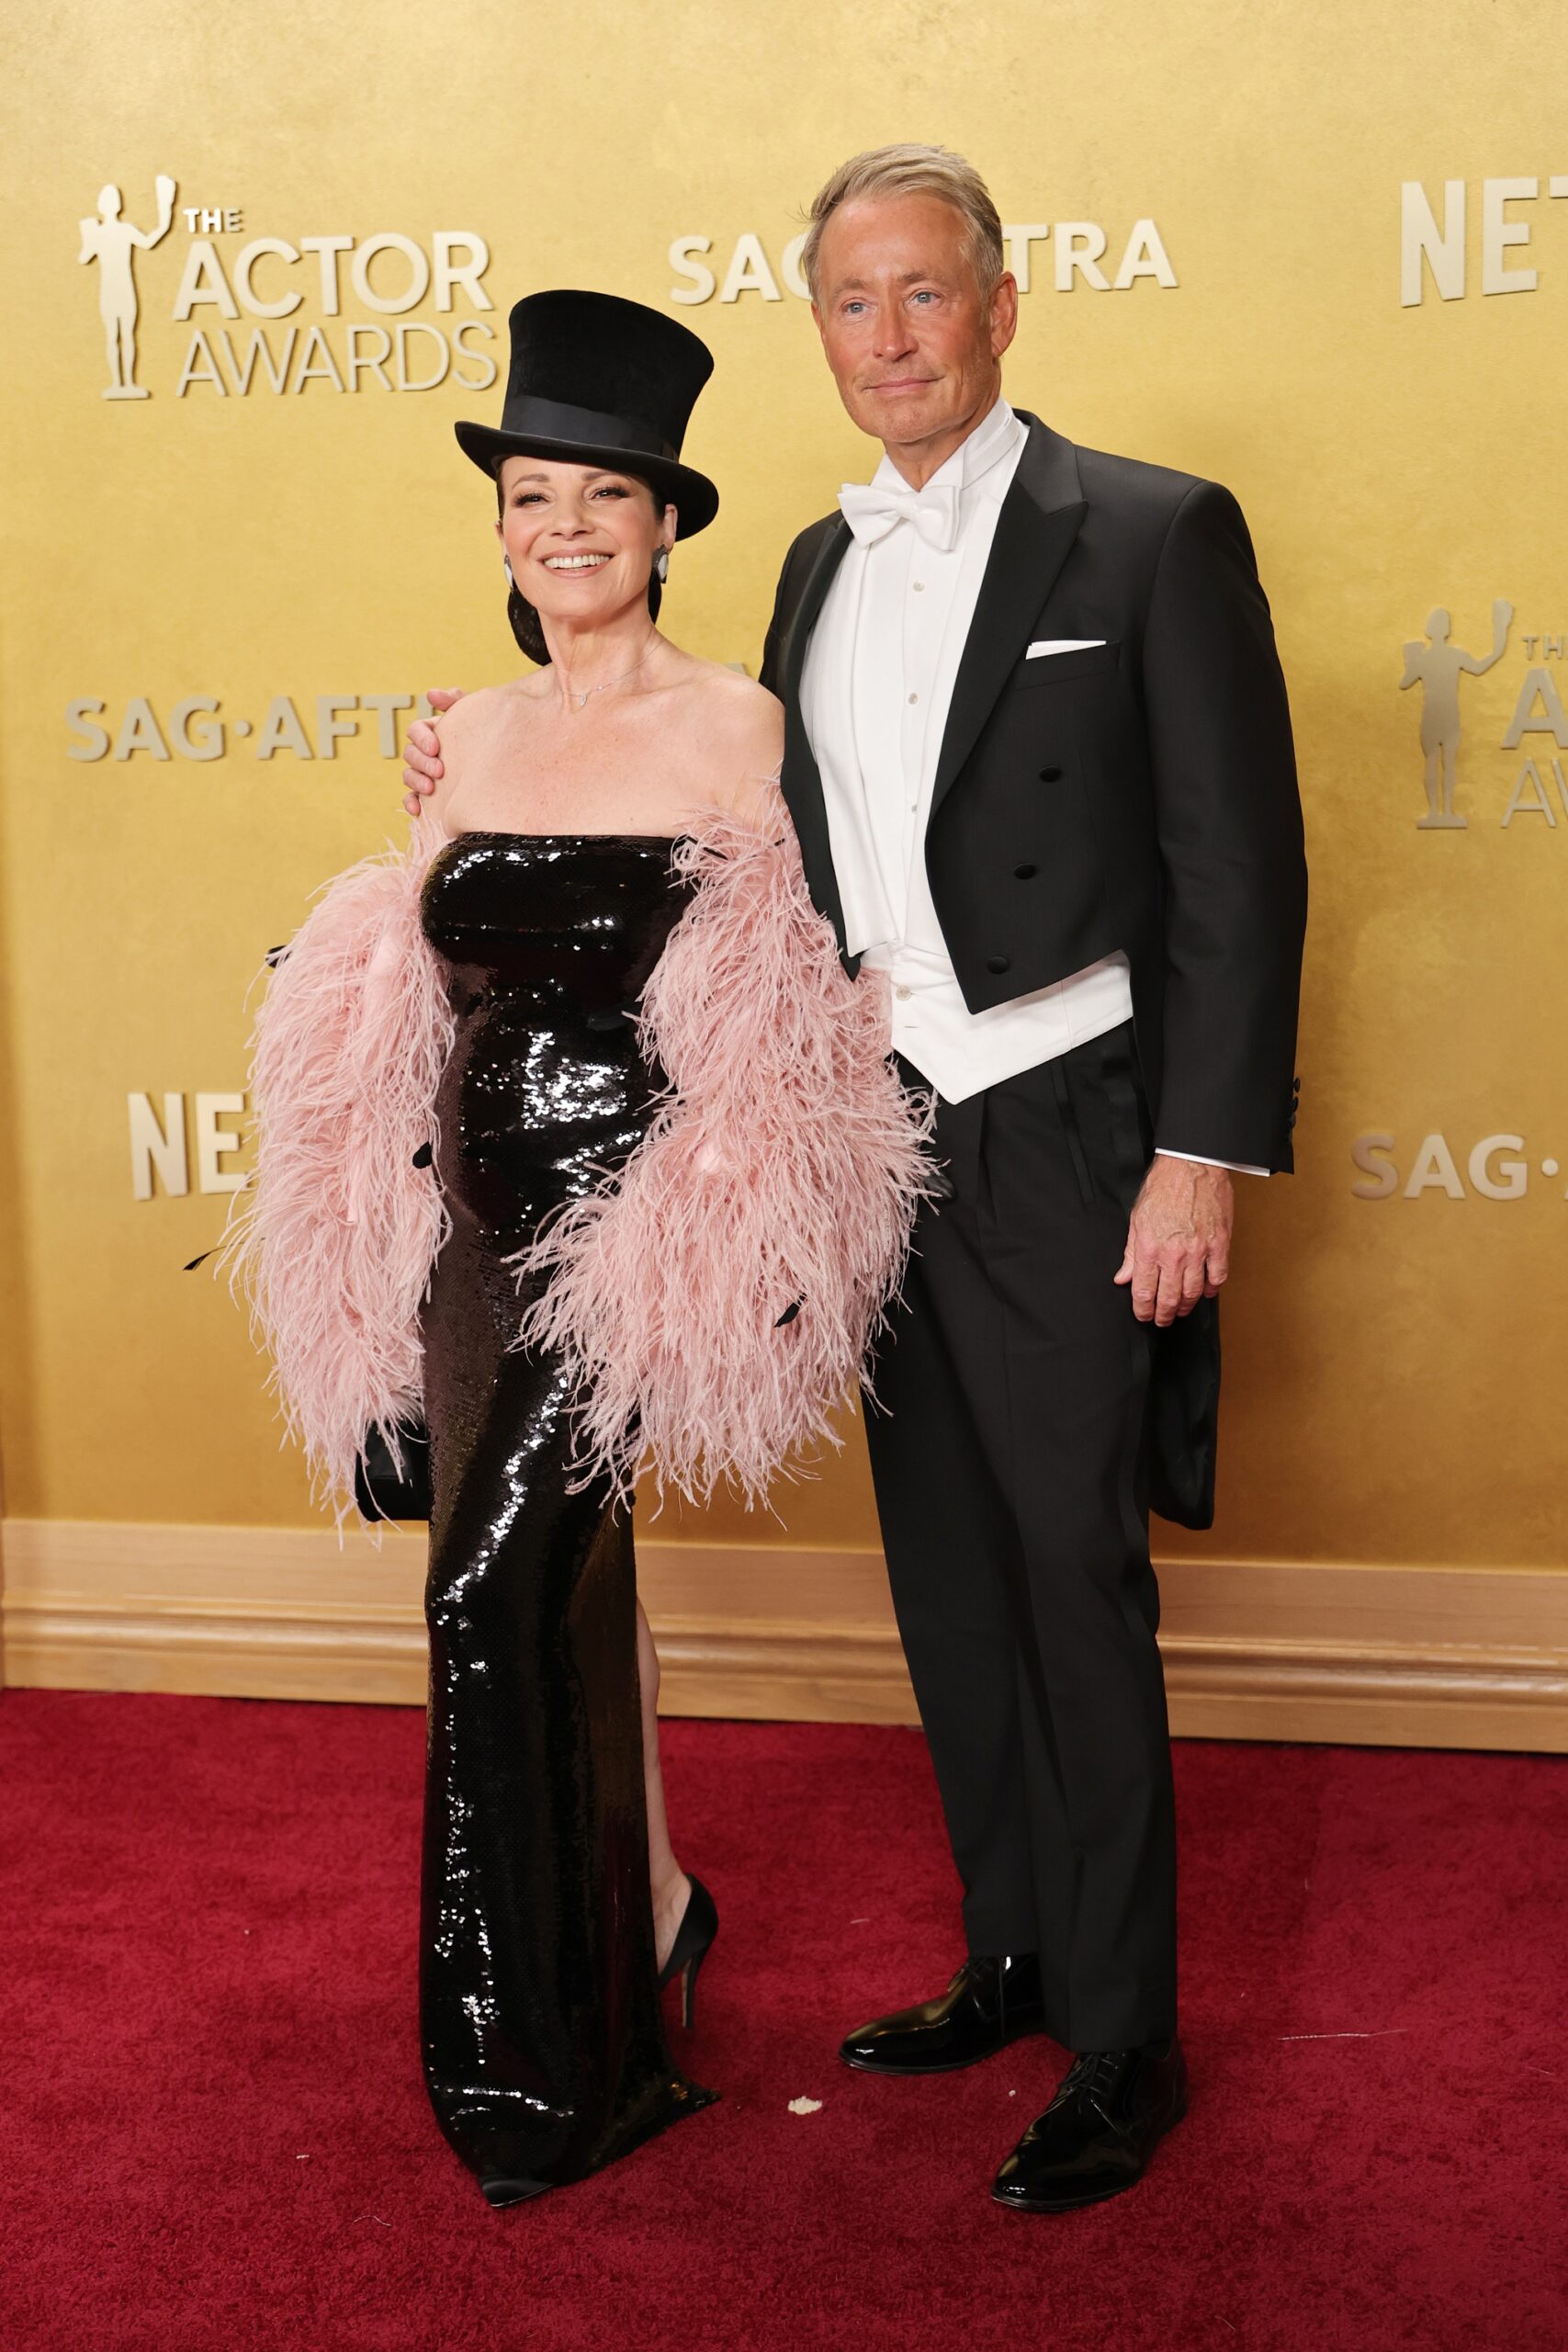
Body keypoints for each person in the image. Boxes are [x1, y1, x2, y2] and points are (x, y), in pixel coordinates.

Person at [404, 147, 1308, 2217]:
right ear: (813, 329)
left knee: (1073, 1576)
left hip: (1069, 1118)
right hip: (860, 1131)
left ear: (1000, 303)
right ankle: (1006, 1948)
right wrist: (462, 770)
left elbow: (1237, 872)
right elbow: (706, 807)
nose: (887, 337)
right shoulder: (810, 564)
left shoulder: (1155, 533)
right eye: (847, 304)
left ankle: (1123, 2034)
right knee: (949, 1573)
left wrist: (1198, 1157)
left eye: (923, 295)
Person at [233, 288, 931, 2208]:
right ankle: (647, 1922)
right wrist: (367, 1248)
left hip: (622, 1246)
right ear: (501, 531)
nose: (562, 528)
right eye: (529, 496)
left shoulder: (733, 726)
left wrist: (709, 1232)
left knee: (490, 1599)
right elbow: (406, 992)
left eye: (598, 497)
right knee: (540, 1607)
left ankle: (541, 2065)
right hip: (466, 1232)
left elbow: (789, 1019)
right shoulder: (455, 735)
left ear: (662, 523)